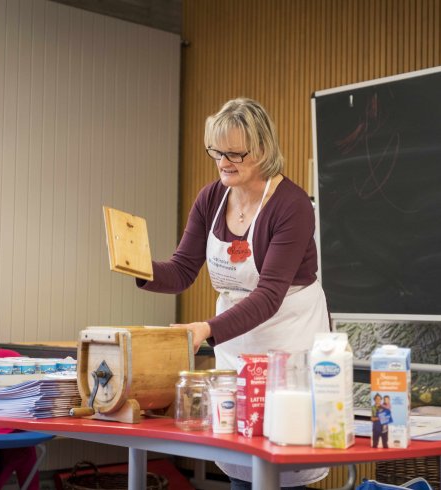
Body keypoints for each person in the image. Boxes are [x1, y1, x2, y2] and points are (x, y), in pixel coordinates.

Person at [136, 97, 330, 489]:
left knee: (281, 463)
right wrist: (136, 265)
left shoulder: (291, 205)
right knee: (240, 457)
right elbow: (182, 270)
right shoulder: (212, 197)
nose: (224, 161)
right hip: (236, 343)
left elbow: (270, 294)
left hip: (287, 342)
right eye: (217, 151)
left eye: (235, 153)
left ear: (261, 150)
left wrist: (205, 329)